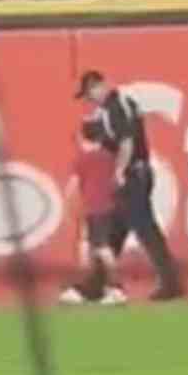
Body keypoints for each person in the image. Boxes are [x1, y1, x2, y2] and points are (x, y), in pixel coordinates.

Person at [74, 70, 185, 301]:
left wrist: (119, 171)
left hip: (133, 174)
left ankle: (171, 281)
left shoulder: (117, 105)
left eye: (89, 93)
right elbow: (112, 136)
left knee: (144, 228)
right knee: (116, 227)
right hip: (132, 173)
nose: (89, 99)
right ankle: (97, 282)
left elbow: (127, 141)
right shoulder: (111, 108)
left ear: (100, 86)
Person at [58, 121, 128, 306]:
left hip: (95, 208)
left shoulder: (83, 159)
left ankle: (115, 288)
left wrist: (68, 207)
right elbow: (117, 181)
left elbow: (72, 187)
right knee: (92, 246)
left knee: (100, 247)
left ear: (83, 137)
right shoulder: (108, 158)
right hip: (110, 207)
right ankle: (91, 288)